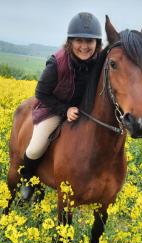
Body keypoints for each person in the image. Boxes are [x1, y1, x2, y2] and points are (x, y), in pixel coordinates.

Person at [21, 12, 102, 200]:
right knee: (35, 148)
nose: (84, 46)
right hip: (54, 108)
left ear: (97, 44)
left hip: (86, 111)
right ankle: (28, 178)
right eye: (79, 41)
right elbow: (41, 93)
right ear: (70, 42)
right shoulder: (57, 62)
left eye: (89, 42)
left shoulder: (99, 61)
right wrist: (65, 109)